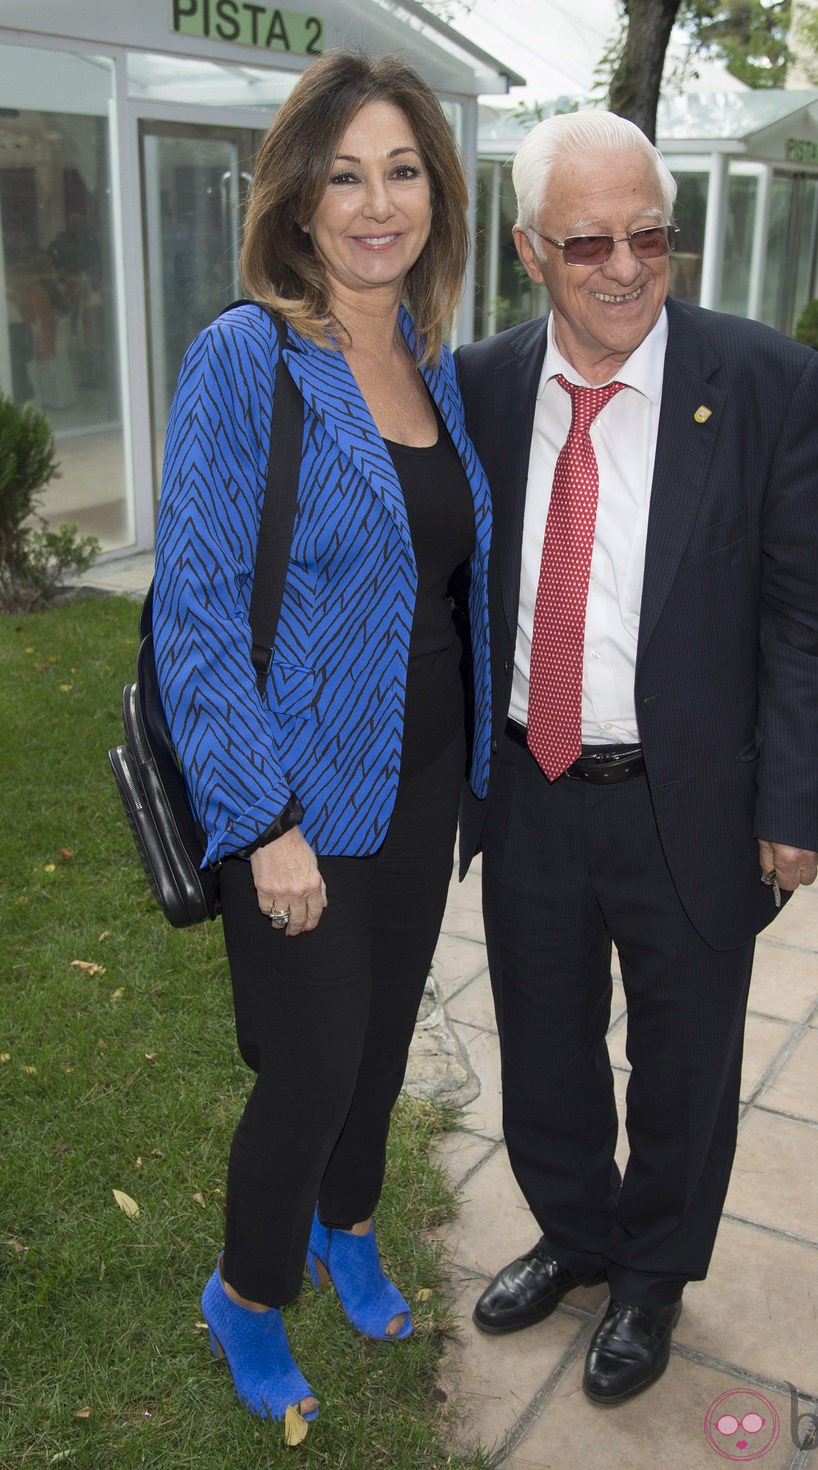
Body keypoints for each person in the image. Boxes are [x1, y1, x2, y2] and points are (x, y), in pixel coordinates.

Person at [455, 110, 818, 1408]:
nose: (626, 265)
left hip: (692, 800)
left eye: (651, 235)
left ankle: (653, 1274)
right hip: (529, 788)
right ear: (530, 251)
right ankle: (575, 1232)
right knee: (547, 1046)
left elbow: (807, 621)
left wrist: (796, 801)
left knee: (685, 1062)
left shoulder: (768, 384)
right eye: (589, 242)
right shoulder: (484, 387)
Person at [152, 50, 491, 1432]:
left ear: (436, 194)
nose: (375, 202)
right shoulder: (246, 359)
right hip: (295, 795)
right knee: (312, 1057)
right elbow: (194, 616)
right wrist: (261, 818)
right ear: (296, 202)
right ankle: (247, 1286)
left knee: (384, 1036)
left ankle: (350, 1225)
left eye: (401, 170)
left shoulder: (430, 363)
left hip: (421, 781)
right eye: (343, 173)